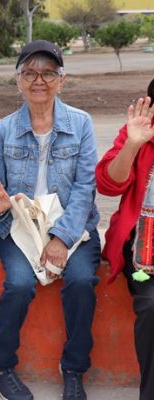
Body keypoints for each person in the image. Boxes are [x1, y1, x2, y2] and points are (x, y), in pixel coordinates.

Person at [0, 40, 101, 400]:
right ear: (18, 80)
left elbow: (86, 188)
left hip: (74, 225)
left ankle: (74, 368)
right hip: (19, 228)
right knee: (19, 284)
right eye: (30, 73)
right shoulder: (3, 130)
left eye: (48, 73)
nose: (39, 81)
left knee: (81, 280)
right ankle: (0, 364)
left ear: (61, 80)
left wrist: (61, 238)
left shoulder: (81, 123)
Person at [95, 81, 154, 400]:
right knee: (152, 304)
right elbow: (108, 185)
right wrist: (132, 145)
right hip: (143, 253)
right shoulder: (140, 134)